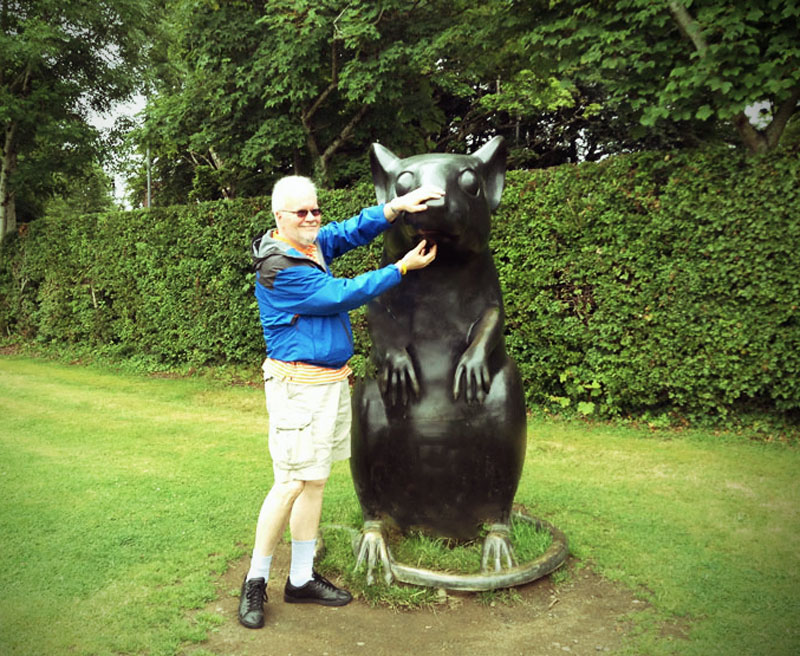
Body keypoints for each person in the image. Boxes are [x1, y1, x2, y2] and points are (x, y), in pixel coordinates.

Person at [239, 175, 443, 629]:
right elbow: (341, 294)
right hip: (297, 387)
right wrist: (401, 267)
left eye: (316, 209)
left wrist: (398, 206)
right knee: (290, 483)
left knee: (315, 482)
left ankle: (300, 579)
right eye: (302, 212)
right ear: (279, 217)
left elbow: (350, 230)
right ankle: (255, 579)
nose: (312, 218)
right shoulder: (280, 268)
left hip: (329, 383)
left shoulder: (309, 245)